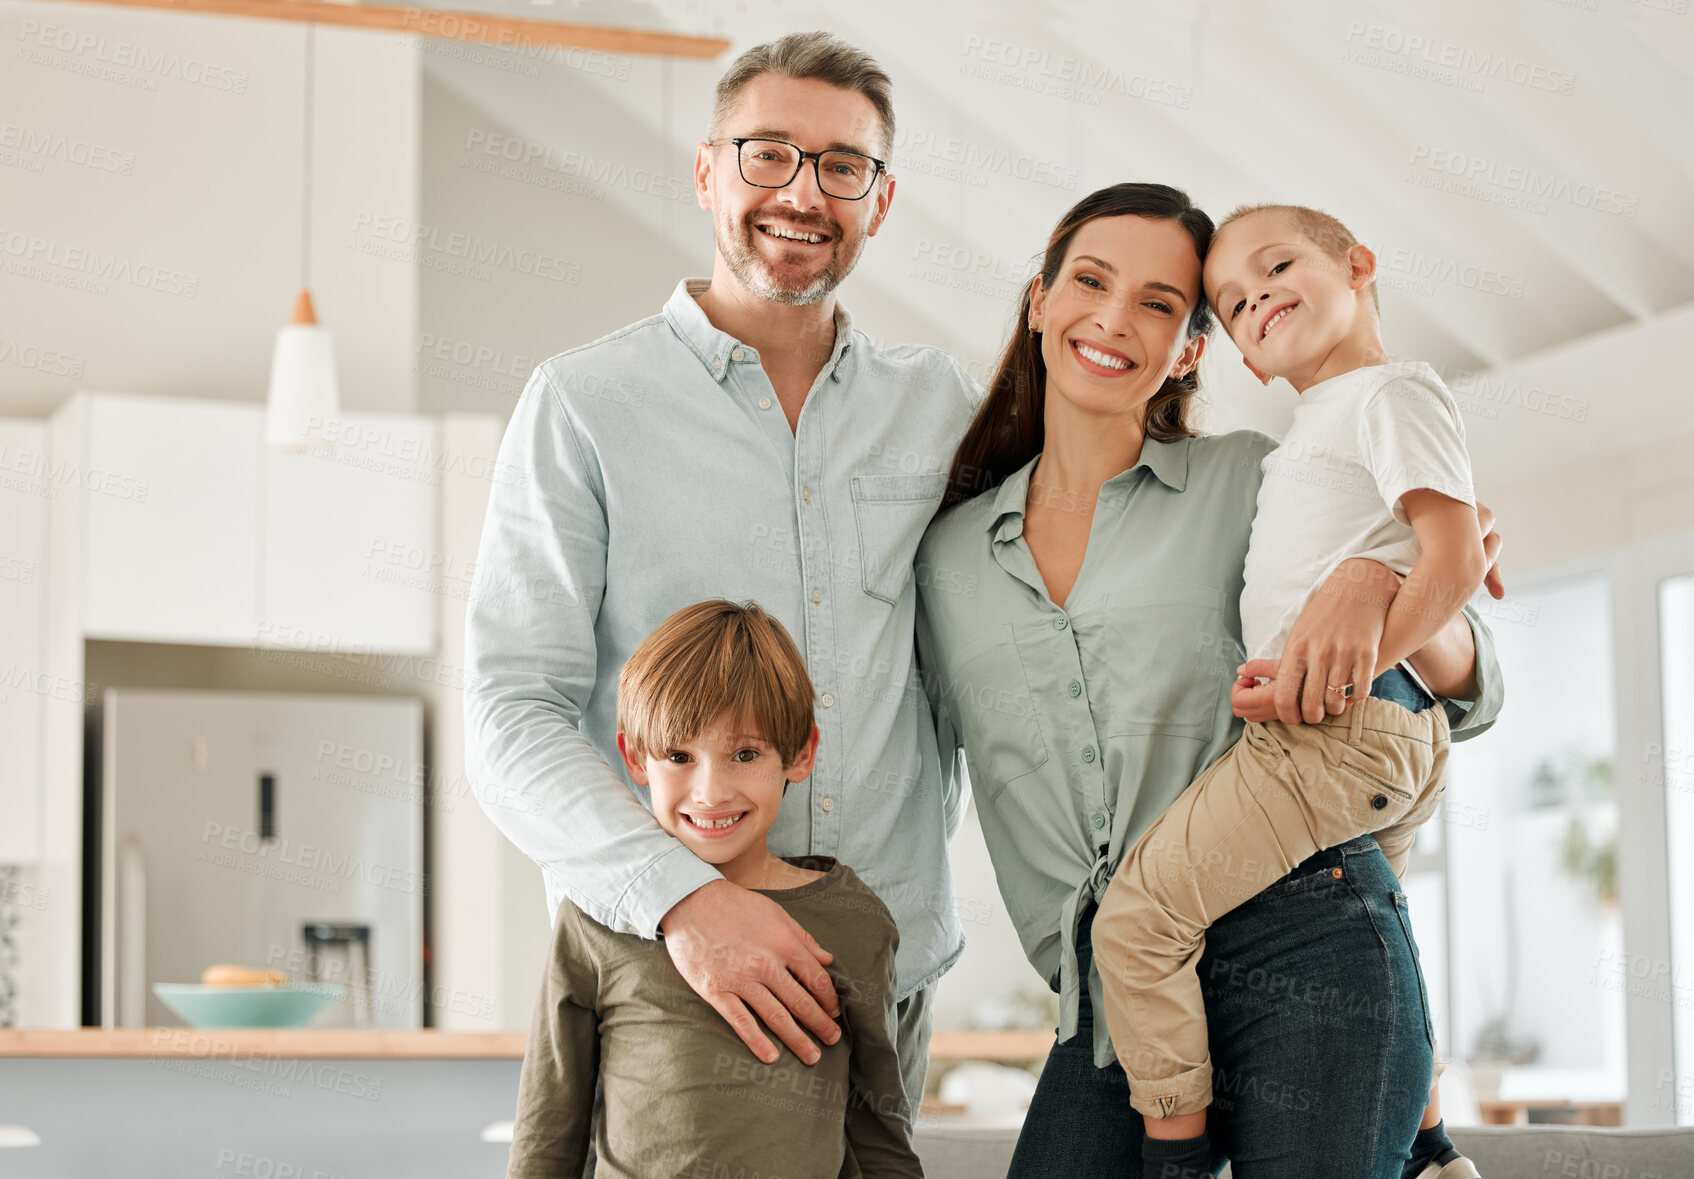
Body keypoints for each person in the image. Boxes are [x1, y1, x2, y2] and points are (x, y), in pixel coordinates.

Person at [913, 183, 1505, 1179]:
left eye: (1158, 303)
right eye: (1090, 282)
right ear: (1037, 300)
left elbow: (1470, 690)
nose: (1112, 318)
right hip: (1116, 999)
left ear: (1190, 349)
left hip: (1307, 938)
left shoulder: (1253, 477)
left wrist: (1378, 582)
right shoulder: (945, 559)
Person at [463, 31, 981, 1169]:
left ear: (880, 202)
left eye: (842, 166)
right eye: (766, 155)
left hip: (885, 978)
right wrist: (681, 903)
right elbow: (510, 712)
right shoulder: (584, 405)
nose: (802, 193)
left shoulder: (941, 407)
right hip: (667, 980)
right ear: (706, 172)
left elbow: (1057, 609)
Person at [1090, 202, 1490, 1179]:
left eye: (1276, 267)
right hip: (1384, 735)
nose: (1254, 296)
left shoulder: (1389, 395)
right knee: (1385, 931)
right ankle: (1429, 1145)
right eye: (1231, 302)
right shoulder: (1313, 427)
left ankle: (1176, 1156)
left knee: (1136, 922)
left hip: (1329, 734)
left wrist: (1349, 661)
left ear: (1357, 264)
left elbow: (1455, 559)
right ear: (1246, 359)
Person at [505, 600, 920, 1179]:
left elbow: (878, 1137)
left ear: (800, 752)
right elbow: (549, 1132)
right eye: (679, 755)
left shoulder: (855, 921)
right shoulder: (595, 918)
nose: (710, 792)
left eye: (744, 755)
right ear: (634, 758)